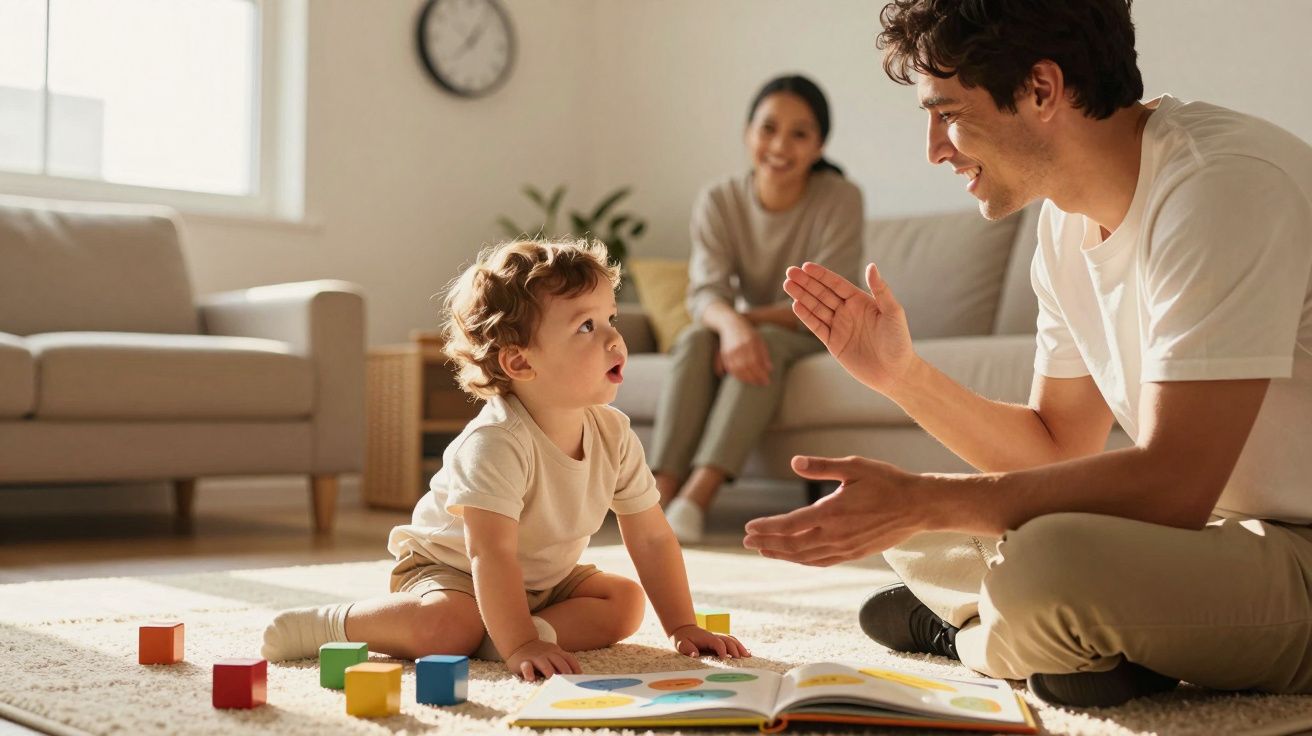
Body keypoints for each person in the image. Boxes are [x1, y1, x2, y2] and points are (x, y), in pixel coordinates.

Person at [743, 0, 1312, 709]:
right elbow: (1054, 449)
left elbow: (1176, 484)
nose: (935, 149)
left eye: (948, 113)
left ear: (1042, 89)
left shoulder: (1219, 186)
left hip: (1296, 544)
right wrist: (902, 376)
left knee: (1039, 564)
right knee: (918, 536)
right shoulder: (1064, 226)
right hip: (1215, 533)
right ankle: (1079, 638)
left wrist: (925, 500)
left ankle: (977, 632)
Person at [262, 239, 749, 680]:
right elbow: (489, 554)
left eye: (611, 319)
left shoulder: (614, 434)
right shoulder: (497, 441)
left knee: (624, 602)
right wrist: (521, 646)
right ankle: (333, 623)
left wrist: (682, 625)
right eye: (586, 326)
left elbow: (651, 537)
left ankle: (500, 633)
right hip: (451, 571)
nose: (614, 340)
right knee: (447, 628)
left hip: (546, 580)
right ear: (520, 362)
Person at [655, 74, 864, 543]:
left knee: (761, 341)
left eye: (799, 134)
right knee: (695, 337)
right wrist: (730, 327)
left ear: (819, 145)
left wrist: (741, 324)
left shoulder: (841, 198)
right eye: (768, 129)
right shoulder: (719, 199)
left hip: (815, 332)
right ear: (747, 132)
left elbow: (826, 302)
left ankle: (696, 498)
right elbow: (705, 292)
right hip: (751, 326)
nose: (780, 146)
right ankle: (657, 495)